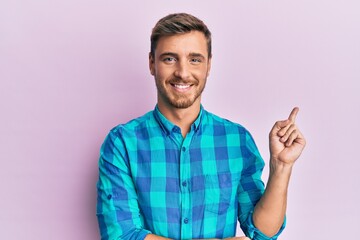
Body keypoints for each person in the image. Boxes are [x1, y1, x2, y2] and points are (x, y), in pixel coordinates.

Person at [96, 13, 306, 240]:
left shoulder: (237, 140)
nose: (183, 73)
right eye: (169, 59)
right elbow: (121, 235)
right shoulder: (122, 143)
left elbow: (262, 233)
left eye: (194, 59)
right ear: (151, 63)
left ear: (208, 65)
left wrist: (281, 166)